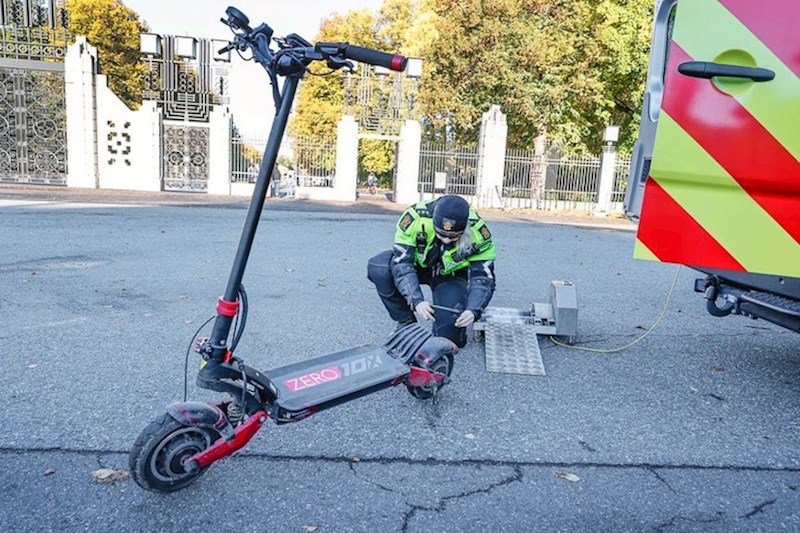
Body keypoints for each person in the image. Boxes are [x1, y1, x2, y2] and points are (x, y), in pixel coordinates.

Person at [367, 195, 496, 347]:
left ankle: (454, 327)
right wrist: (416, 300)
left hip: (450, 275)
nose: (446, 240)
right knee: (379, 267)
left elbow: (483, 277)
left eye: (454, 236)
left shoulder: (479, 231)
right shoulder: (415, 217)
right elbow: (402, 263)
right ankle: (406, 323)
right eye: (441, 234)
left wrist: (474, 310)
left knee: (449, 341)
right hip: (418, 267)